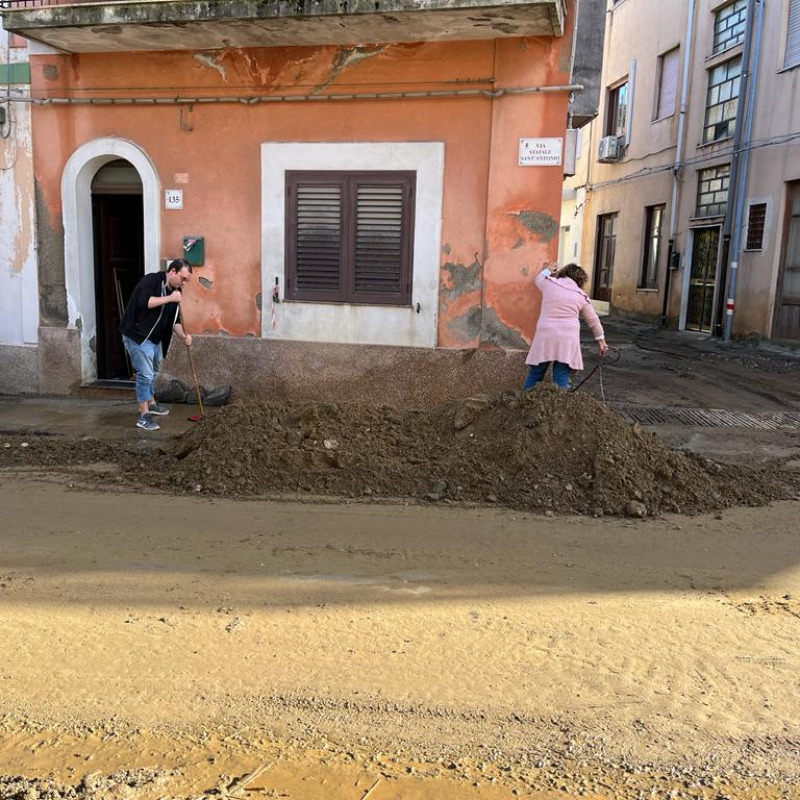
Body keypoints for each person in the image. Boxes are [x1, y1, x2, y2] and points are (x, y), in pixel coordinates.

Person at [120, 258, 194, 430]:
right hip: (137, 335)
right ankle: (144, 416)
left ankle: (151, 402)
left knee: (153, 371)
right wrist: (170, 298)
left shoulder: (176, 291)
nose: (183, 283)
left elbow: (175, 320)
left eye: (186, 281)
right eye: (183, 278)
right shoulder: (151, 280)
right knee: (145, 374)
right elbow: (145, 302)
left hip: (155, 339)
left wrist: (184, 336)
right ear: (173, 271)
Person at [523, 260, 608, 391]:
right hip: (567, 340)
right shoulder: (581, 296)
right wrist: (601, 340)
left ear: (563, 273)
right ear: (580, 280)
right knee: (561, 376)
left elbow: (538, 279)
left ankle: (524, 403)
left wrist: (548, 271)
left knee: (536, 374)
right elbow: (593, 320)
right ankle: (558, 408)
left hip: (546, 336)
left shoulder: (549, 284)